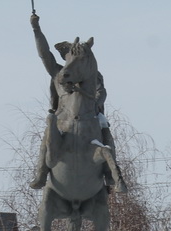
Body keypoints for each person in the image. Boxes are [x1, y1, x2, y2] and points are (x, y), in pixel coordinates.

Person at [29, 12, 121, 192]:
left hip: (89, 115)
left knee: (106, 133)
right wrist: (36, 28)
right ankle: (41, 173)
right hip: (64, 118)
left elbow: (101, 92)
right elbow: (44, 55)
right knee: (49, 132)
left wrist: (94, 101)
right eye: (69, 56)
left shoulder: (91, 76)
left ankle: (110, 173)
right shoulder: (57, 73)